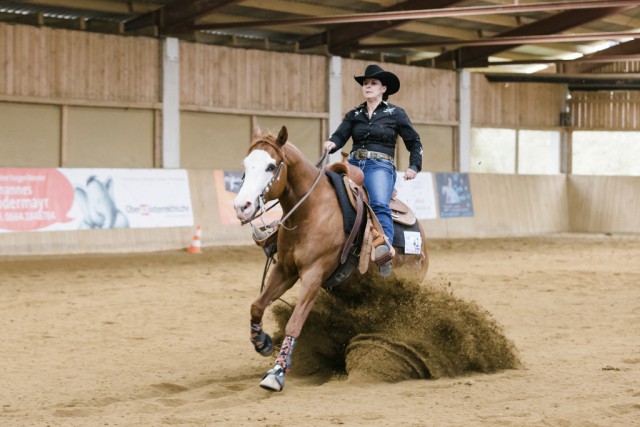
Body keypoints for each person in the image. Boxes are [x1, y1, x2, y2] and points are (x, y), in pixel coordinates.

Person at [323, 64, 423, 277]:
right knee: (327, 190)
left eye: (373, 83)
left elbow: (414, 142)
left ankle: (384, 249)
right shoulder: (354, 114)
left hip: (380, 165)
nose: (368, 87)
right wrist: (332, 142)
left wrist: (414, 166)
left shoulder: (395, 113)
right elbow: (341, 135)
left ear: (383, 88)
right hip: (353, 164)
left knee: (378, 202)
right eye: (366, 83)